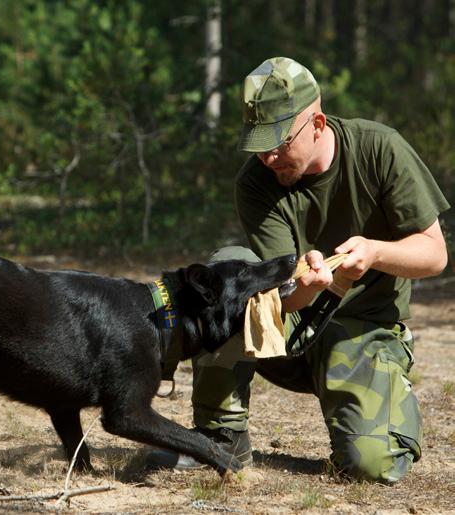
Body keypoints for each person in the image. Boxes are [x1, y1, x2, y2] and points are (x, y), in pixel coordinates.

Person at [147, 57, 450, 483]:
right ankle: (220, 437)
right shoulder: (255, 182)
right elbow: (279, 294)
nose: (269, 157)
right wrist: (307, 289)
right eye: (259, 144)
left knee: (370, 467)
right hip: (293, 323)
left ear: (318, 123)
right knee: (227, 273)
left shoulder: (379, 149)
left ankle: (388, 401)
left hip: (363, 327)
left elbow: (434, 254)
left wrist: (376, 252)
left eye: (279, 142)